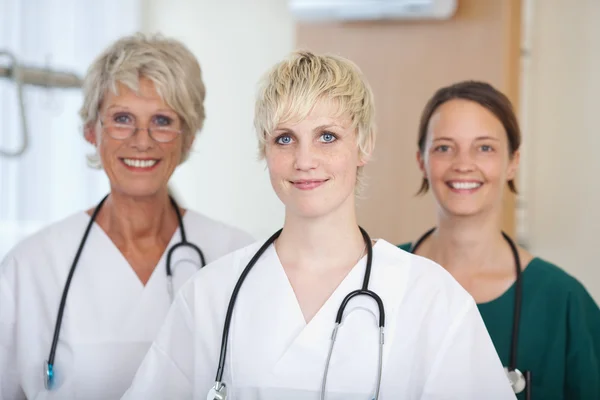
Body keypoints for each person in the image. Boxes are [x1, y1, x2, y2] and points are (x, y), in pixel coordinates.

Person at [122, 51, 515, 400]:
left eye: (327, 136)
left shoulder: (431, 297)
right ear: (264, 149)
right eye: (285, 138)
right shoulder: (213, 294)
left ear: (364, 145)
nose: (304, 160)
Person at [0, 33, 254, 400]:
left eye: (163, 121)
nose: (142, 140)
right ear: (92, 131)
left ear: (189, 136)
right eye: (122, 118)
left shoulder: (235, 257)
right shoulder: (30, 267)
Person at [398, 80, 600, 399]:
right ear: (422, 161)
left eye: (485, 147)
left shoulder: (563, 301)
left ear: (513, 162)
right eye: (444, 148)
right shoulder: (381, 280)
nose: (463, 164)